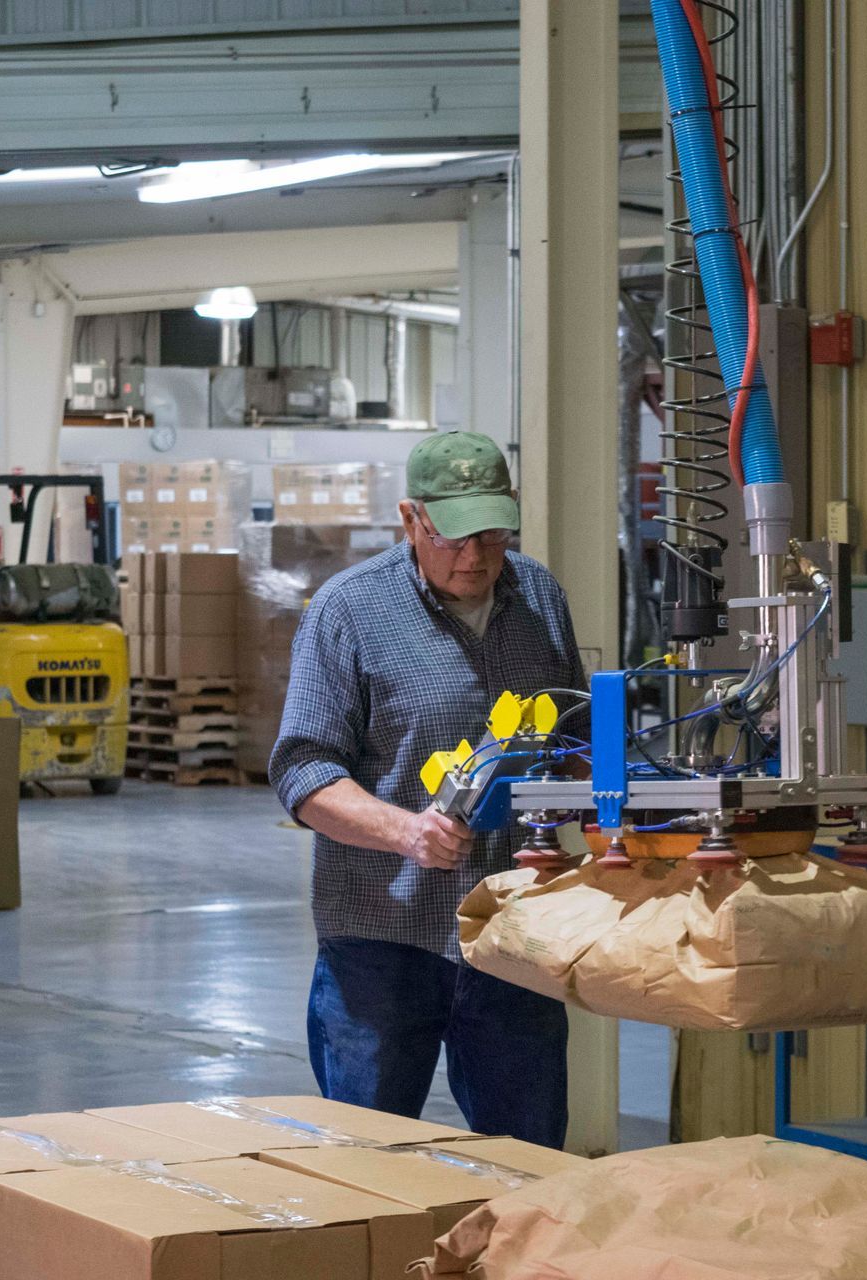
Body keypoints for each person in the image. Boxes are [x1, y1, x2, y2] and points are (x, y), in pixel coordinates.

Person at [270, 431, 584, 1148]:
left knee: (530, 1154)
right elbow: (302, 770)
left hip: (513, 933)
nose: (475, 557)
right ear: (411, 520)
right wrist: (407, 832)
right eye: (453, 537)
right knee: (368, 1163)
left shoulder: (539, 598)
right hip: (383, 942)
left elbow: (571, 741)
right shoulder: (349, 611)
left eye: (491, 534)